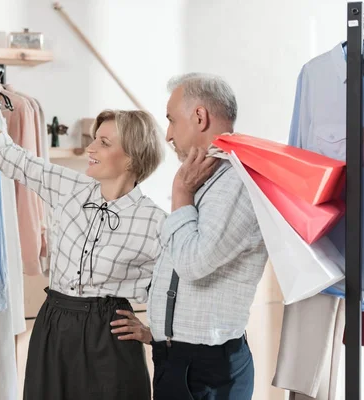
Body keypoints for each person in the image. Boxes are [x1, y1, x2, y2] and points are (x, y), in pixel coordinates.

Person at [0, 73, 167, 400]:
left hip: (110, 336)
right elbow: (5, 152)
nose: (90, 148)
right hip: (55, 323)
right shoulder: (71, 188)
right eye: (94, 139)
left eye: (104, 143)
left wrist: (152, 334)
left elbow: (180, 292)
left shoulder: (155, 222)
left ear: (132, 157)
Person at [111, 72, 268, 399]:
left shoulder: (236, 181)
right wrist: (158, 333)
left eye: (171, 120)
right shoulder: (209, 177)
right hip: (180, 359)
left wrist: (180, 192)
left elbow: (192, 263)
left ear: (199, 116)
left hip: (207, 369)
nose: (168, 135)